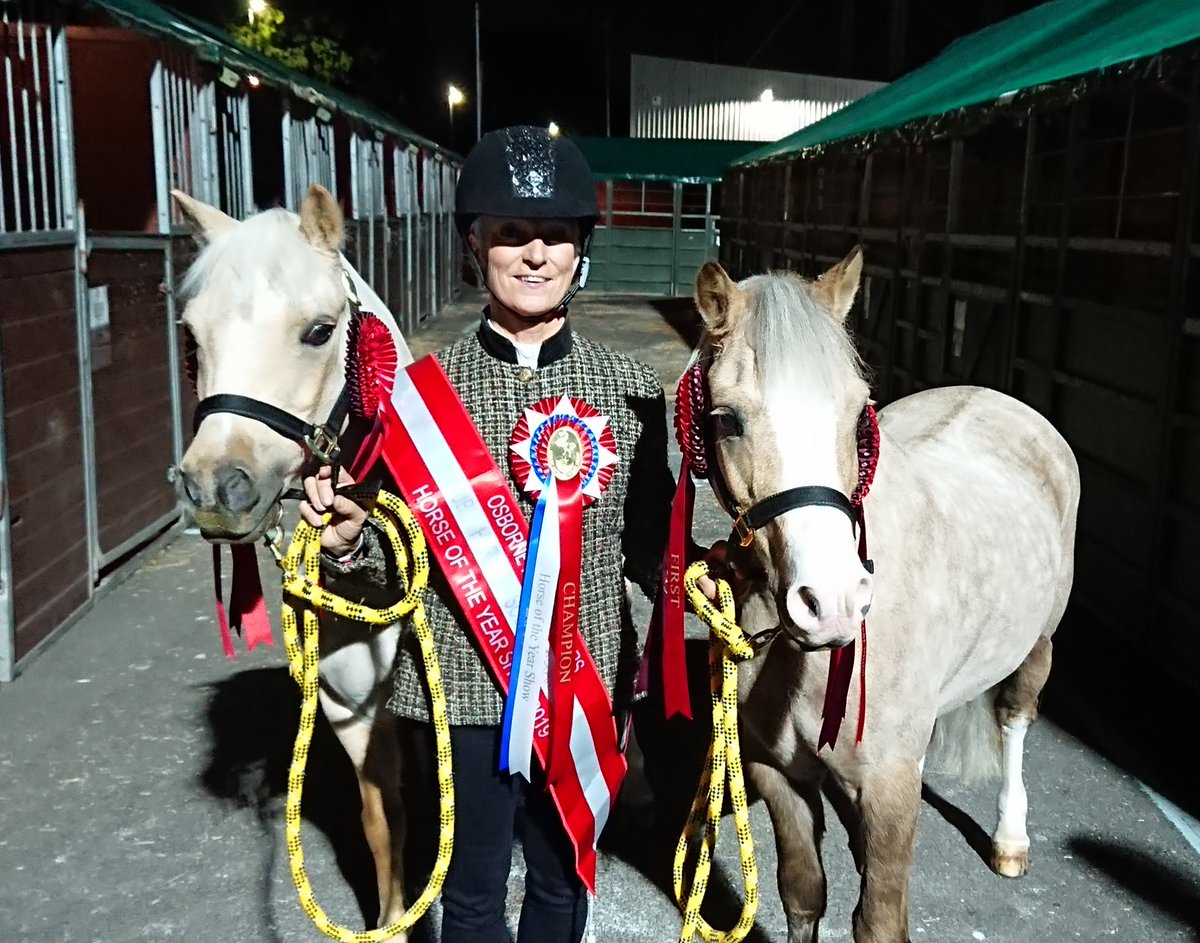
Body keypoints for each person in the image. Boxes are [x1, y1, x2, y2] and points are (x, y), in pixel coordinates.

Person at [299, 125, 681, 943]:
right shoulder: (419, 394)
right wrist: (349, 543)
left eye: (556, 235)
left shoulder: (630, 385)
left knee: (561, 876)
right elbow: (390, 564)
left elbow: (651, 546)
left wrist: (706, 582)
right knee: (470, 887)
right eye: (512, 234)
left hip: (582, 682)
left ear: (582, 249)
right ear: (475, 245)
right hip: (466, 688)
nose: (535, 254)